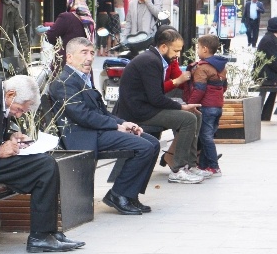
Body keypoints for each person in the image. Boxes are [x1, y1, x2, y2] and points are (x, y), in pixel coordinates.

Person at [0, 76, 84, 252]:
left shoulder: (0, 96)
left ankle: (46, 232)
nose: (18, 115)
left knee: (45, 165)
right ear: (11, 94)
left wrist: (11, 135)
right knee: (44, 167)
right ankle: (41, 236)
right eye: (18, 110)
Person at [49, 38, 159, 215]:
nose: (90, 57)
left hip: (96, 130)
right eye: (84, 53)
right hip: (83, 134)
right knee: (143, 147)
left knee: (152, 143)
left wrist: (123, 123)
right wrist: (115, 127)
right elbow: (82, 115)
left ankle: (129, 194)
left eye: (92, 53)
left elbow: (102, 112)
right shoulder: (64, 82)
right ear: (69, 57)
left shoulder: (83, 78)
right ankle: (118, 194)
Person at [114, 28, 208, 184]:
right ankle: (178, 169)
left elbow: (156, 96)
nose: (178, 55)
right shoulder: (151, 61)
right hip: (138, 113)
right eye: (176, 50)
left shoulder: (155, 59)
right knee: (188, 119)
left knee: (196, 114)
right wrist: (182, 107)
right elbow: (156, 98)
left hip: (146, 107)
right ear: (164, 47)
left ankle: (191, 165)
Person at [183, 35, 227, 177]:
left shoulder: (202, 68)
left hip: (207, 107)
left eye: (198, 47)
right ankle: (202, 165)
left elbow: (200, 89)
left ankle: (214, 167)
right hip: (218, 106)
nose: (197, 50)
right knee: (207, 135)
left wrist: (190, 104)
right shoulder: (221, 67)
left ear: (205, 49)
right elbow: (224, 87)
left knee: (205, 136)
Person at [41, 0, 95, 71]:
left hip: (66, 65)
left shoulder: (66, 17)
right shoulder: (90, 21)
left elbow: (50, 37)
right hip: (84, 65)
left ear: (70, 2)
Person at [256, 18, 277, 120]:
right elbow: (274, 62)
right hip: (265, 75)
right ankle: (264, 116)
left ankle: (266, 116)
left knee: (273, 92)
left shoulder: (271, 39)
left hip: (269, 73)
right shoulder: (269, 41)